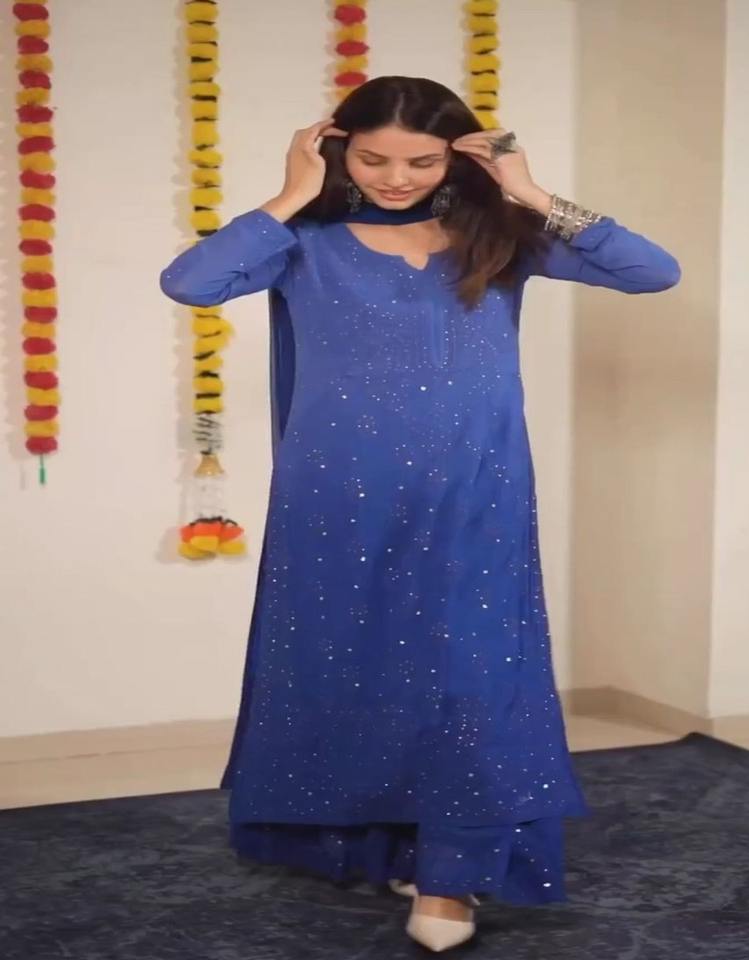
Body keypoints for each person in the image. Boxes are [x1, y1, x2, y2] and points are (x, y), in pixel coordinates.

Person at [160, 75, 680, 952]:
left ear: (456, 157)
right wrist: (290, 192)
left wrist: (530, 190)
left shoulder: (499, 236)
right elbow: (190, 282)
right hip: (336, 499)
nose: (395, 178)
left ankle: (450, 872)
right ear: (337, 151)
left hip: (476, 495)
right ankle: (391, 843)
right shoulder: (304, 242)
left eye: (420, 161)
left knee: (472, 679)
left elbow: (653, 271)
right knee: (358, 672)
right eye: (372, 159)